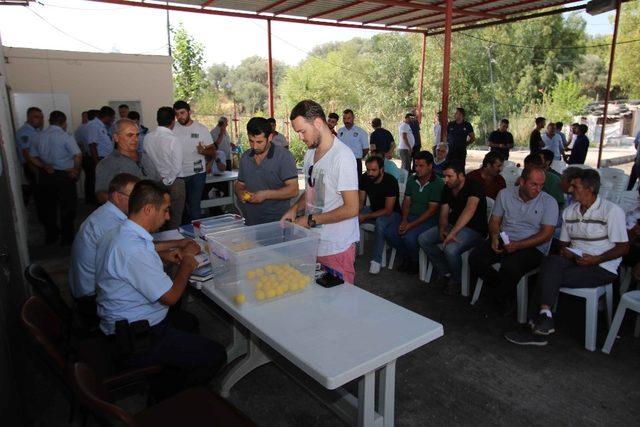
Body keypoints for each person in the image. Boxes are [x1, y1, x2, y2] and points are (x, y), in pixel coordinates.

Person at [95, 180, 226, 399]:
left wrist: (166, 253)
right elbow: (171, 297)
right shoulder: (134, 250)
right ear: (148, 209)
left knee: (189, 322)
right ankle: (164, 399)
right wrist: (186, 263)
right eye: (165, 211)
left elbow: (146, 249)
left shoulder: (120, 232)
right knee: (216, 355)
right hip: (136, 337)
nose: (168, 217)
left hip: (122, 322)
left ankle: (173, 369)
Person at [505, 169, 629, 346]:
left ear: (590, 188)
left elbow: (623, 247)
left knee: (546, 276)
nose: (570, 189)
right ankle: (545, 315)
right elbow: (562, 245)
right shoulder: (570, 212)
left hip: (602, 267)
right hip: (575, 262)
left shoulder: (611, 211)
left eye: (575, 186)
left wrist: (596, 259)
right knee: (550, 261)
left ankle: (537, 329)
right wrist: (567, 251)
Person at [282, 100, 359, 284]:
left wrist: (310, 221)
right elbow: (312, 189)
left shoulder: (343, 157)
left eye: (302, 131)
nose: (300, 137)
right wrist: (294, 209)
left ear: (317, 123)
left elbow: (352, 208)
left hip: (336, 247)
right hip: (314, 243)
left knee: (339, 305)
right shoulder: (310, 154)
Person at [468, 166, 558, 315]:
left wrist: (518, 245)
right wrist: (495, 237)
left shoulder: (549, 202)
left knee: (510, 267)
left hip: (533, 246)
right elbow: (494, 221)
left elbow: (546, 235)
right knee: (475, 258)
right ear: (522, 182)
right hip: (506, 238)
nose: (538, 189)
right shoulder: (505, 194)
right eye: (534, 184)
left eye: (541, 185)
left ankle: (493, 299)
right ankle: (504, 293)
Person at [418, 161, 487, 295]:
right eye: (444, 176)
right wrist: (443, 229)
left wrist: (452, 233)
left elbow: (470, 210)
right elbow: (444, 212)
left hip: (474, 230)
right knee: (423, 239)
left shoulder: (474, 186)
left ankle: (456, 280)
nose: (446, 180)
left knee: (450, 249)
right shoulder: (447, 188)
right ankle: (446, 271)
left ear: (460, 175)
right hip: (453, 225)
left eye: (450, 176)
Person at [385, 151, 444, 274]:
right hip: (410, 216)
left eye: (421, 166)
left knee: (409, 237)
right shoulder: (412, 179)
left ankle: (415, 261)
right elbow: (406, 202)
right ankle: (407, 256)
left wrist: (410, 225)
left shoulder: (438, 183)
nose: (417, 169)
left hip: (429, 220)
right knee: (390, 232)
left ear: (430, 166)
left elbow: (431, 210)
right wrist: (404, 220)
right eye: (416, 165)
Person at [28, 111, 82, 245]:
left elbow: (31, 157)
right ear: (64, 123)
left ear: (49, 121)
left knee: (48, 207)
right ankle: (67, 239)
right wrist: (76, 170)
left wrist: (43, 165)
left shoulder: (37, 137)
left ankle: (51, 236)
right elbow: (77, 155)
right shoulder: (65, 137)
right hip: (64, 175)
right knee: (68, 207)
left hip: (46, 175)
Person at [236, 117, 298, 226]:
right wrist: (241, 193)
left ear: (270, 137)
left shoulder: (283, 156)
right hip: (251, 221)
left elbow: (293, 190)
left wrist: (266, 195)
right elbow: (239, 184)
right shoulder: (245, 157)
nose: (254, 146)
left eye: (259, 142)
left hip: (278, 222)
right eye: (251, 141)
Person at [95, 118, 159, 204]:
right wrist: (131, 209)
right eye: (130, 135)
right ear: (116, 137)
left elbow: (158, 181)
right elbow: (102, 195)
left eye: (137, 135)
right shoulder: (107, 163)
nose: (135, 139)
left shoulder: (145, 157)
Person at [358, 156, 401, 274]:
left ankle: (376, 260)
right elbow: (361, 201)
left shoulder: (390, 181)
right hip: (373, 209)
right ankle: (348, 250)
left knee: (380, 222)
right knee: (351, 215)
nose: (370, 173)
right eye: (368, 170)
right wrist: (356, 213)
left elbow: (388, 210)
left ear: (381, 169)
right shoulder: (364, 178)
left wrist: (365, 217)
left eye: (374, 170)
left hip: (393, 214)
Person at [144, 107, 185, 230]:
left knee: (157, 217)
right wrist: (167, 180)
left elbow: (146, 162)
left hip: (155, 182)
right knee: (175, 218)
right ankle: (172, 243)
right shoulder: (173, 140)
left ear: (157, 120)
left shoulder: (147, 137)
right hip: (174, 183)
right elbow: (177, 167)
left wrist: (159, 179)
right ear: (173, 121)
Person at [173, 100, 213, 222]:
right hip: (178, 174)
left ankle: (197, 237)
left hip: (197, 174)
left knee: (194, 207)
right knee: (180, 208)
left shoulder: (201, 129)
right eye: (177, 114)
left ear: (189, 112)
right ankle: (183, 237)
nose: (180, 117)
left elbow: (213, 152)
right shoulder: (172, 128)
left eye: (182, 113)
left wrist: (203, 151)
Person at [86, 106, 116, 201]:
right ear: (108, 117)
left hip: (104, 159)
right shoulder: (94, 125)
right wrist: (97, 162)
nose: (113, 120)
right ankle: (98, 202)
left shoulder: (101, 125)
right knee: (100, 183)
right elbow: (92, 145)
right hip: (99, 159)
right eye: (113, 118)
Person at [15, 107, 43, 206]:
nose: (40, 120)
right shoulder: (24, 132)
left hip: (38, 164)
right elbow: (27, 155)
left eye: (41, 117)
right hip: (32, 166)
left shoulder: (36, 131)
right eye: (36, 117)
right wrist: (36, 171)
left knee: (41, 190)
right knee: (39, 192)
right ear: (28, 117)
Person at [338, 109, 369, 176]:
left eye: (349, 118)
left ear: (353, 118)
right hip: (342, 162)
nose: (346, 121)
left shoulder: (361, 132)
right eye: (344, 118)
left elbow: (366, 149)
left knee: (356, 183)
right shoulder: (340, 131)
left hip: (356, 162)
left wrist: (358, 157)